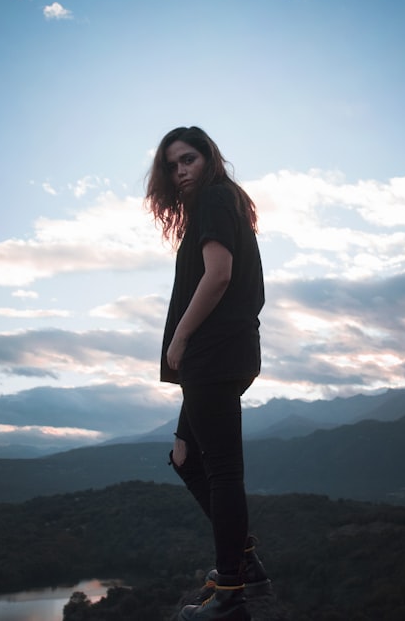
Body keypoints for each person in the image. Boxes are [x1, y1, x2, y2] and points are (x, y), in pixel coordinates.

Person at [145, 126, 270, 621]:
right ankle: (243, 561)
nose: (181, 171)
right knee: (183, 455)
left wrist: (178, 337)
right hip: (216, 357)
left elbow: (218, 275)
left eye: (189, 159)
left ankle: (231, 586)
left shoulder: (219, 198)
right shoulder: (216, 206)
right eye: (173, 165)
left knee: (221, 470)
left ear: (210, 158)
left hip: (212, 355)